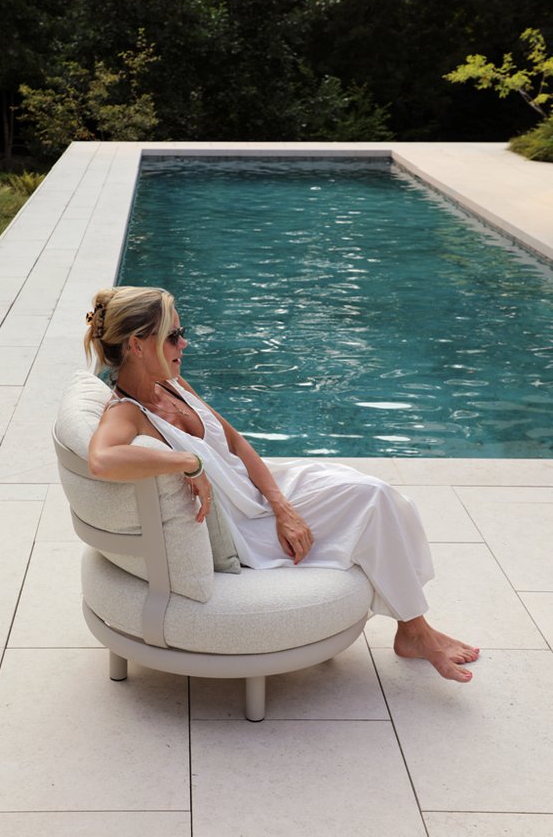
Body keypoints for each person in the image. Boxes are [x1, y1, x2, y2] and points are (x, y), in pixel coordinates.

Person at [85, 285, 479, 683]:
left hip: (264, 489)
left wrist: (282, 507)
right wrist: (190, 462)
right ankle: (416, 632)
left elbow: (236, 443)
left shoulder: (172, 384)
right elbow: (101, 460)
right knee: (372, 500)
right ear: (137, 345)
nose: (184, 343)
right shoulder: (126, 413)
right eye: (173, 336)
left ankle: (413, 629)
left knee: (375, 492)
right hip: (246, 523)